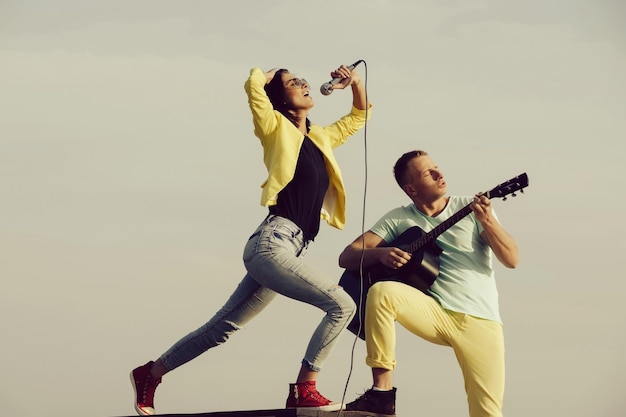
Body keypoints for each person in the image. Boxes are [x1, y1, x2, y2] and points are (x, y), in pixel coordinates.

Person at [129, 64, 371, 415]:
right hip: (272, 243)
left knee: (222, 328)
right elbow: (253, 89)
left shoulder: (319, 138)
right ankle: (305, 387)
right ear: (281, 99)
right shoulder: (274, 127)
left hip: (291, 247)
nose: (304, 83)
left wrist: (356, 84)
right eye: (293, 83)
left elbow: (357, 118)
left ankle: (150, 373)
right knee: (342, 305)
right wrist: (268, 74)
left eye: (303, 80)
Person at [338, 150, 520, 417]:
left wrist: (488, 221)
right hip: (436, 313)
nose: (439, 174)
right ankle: (382, 393)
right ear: (411, 189)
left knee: (487, 412)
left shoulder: (472, 209)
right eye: (428, 173)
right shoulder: (399, 218)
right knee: (382, 292)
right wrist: (381, 254)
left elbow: (512, 259)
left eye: (437, 167)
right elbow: (347, 257)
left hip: (482, 320)